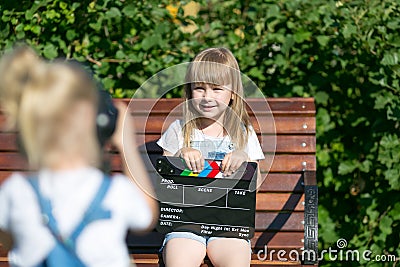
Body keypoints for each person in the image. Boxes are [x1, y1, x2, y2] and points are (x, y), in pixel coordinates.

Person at [0, 46, 158, 267]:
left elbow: (7, 240)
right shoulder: (116, 193)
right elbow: (147, 216)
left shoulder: (15, 193)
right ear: (95, 122)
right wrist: (125, 145)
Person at [156, 47, 265, 267]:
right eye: (199, 88)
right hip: (184, 226)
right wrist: (179, 155)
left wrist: (244, 161)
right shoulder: (179, 130)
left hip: (229, 228)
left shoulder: (244, 133)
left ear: (233, 94)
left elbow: (257, 184)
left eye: (217, 89)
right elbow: (164, 182)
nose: (207, 97)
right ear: (189, 91)